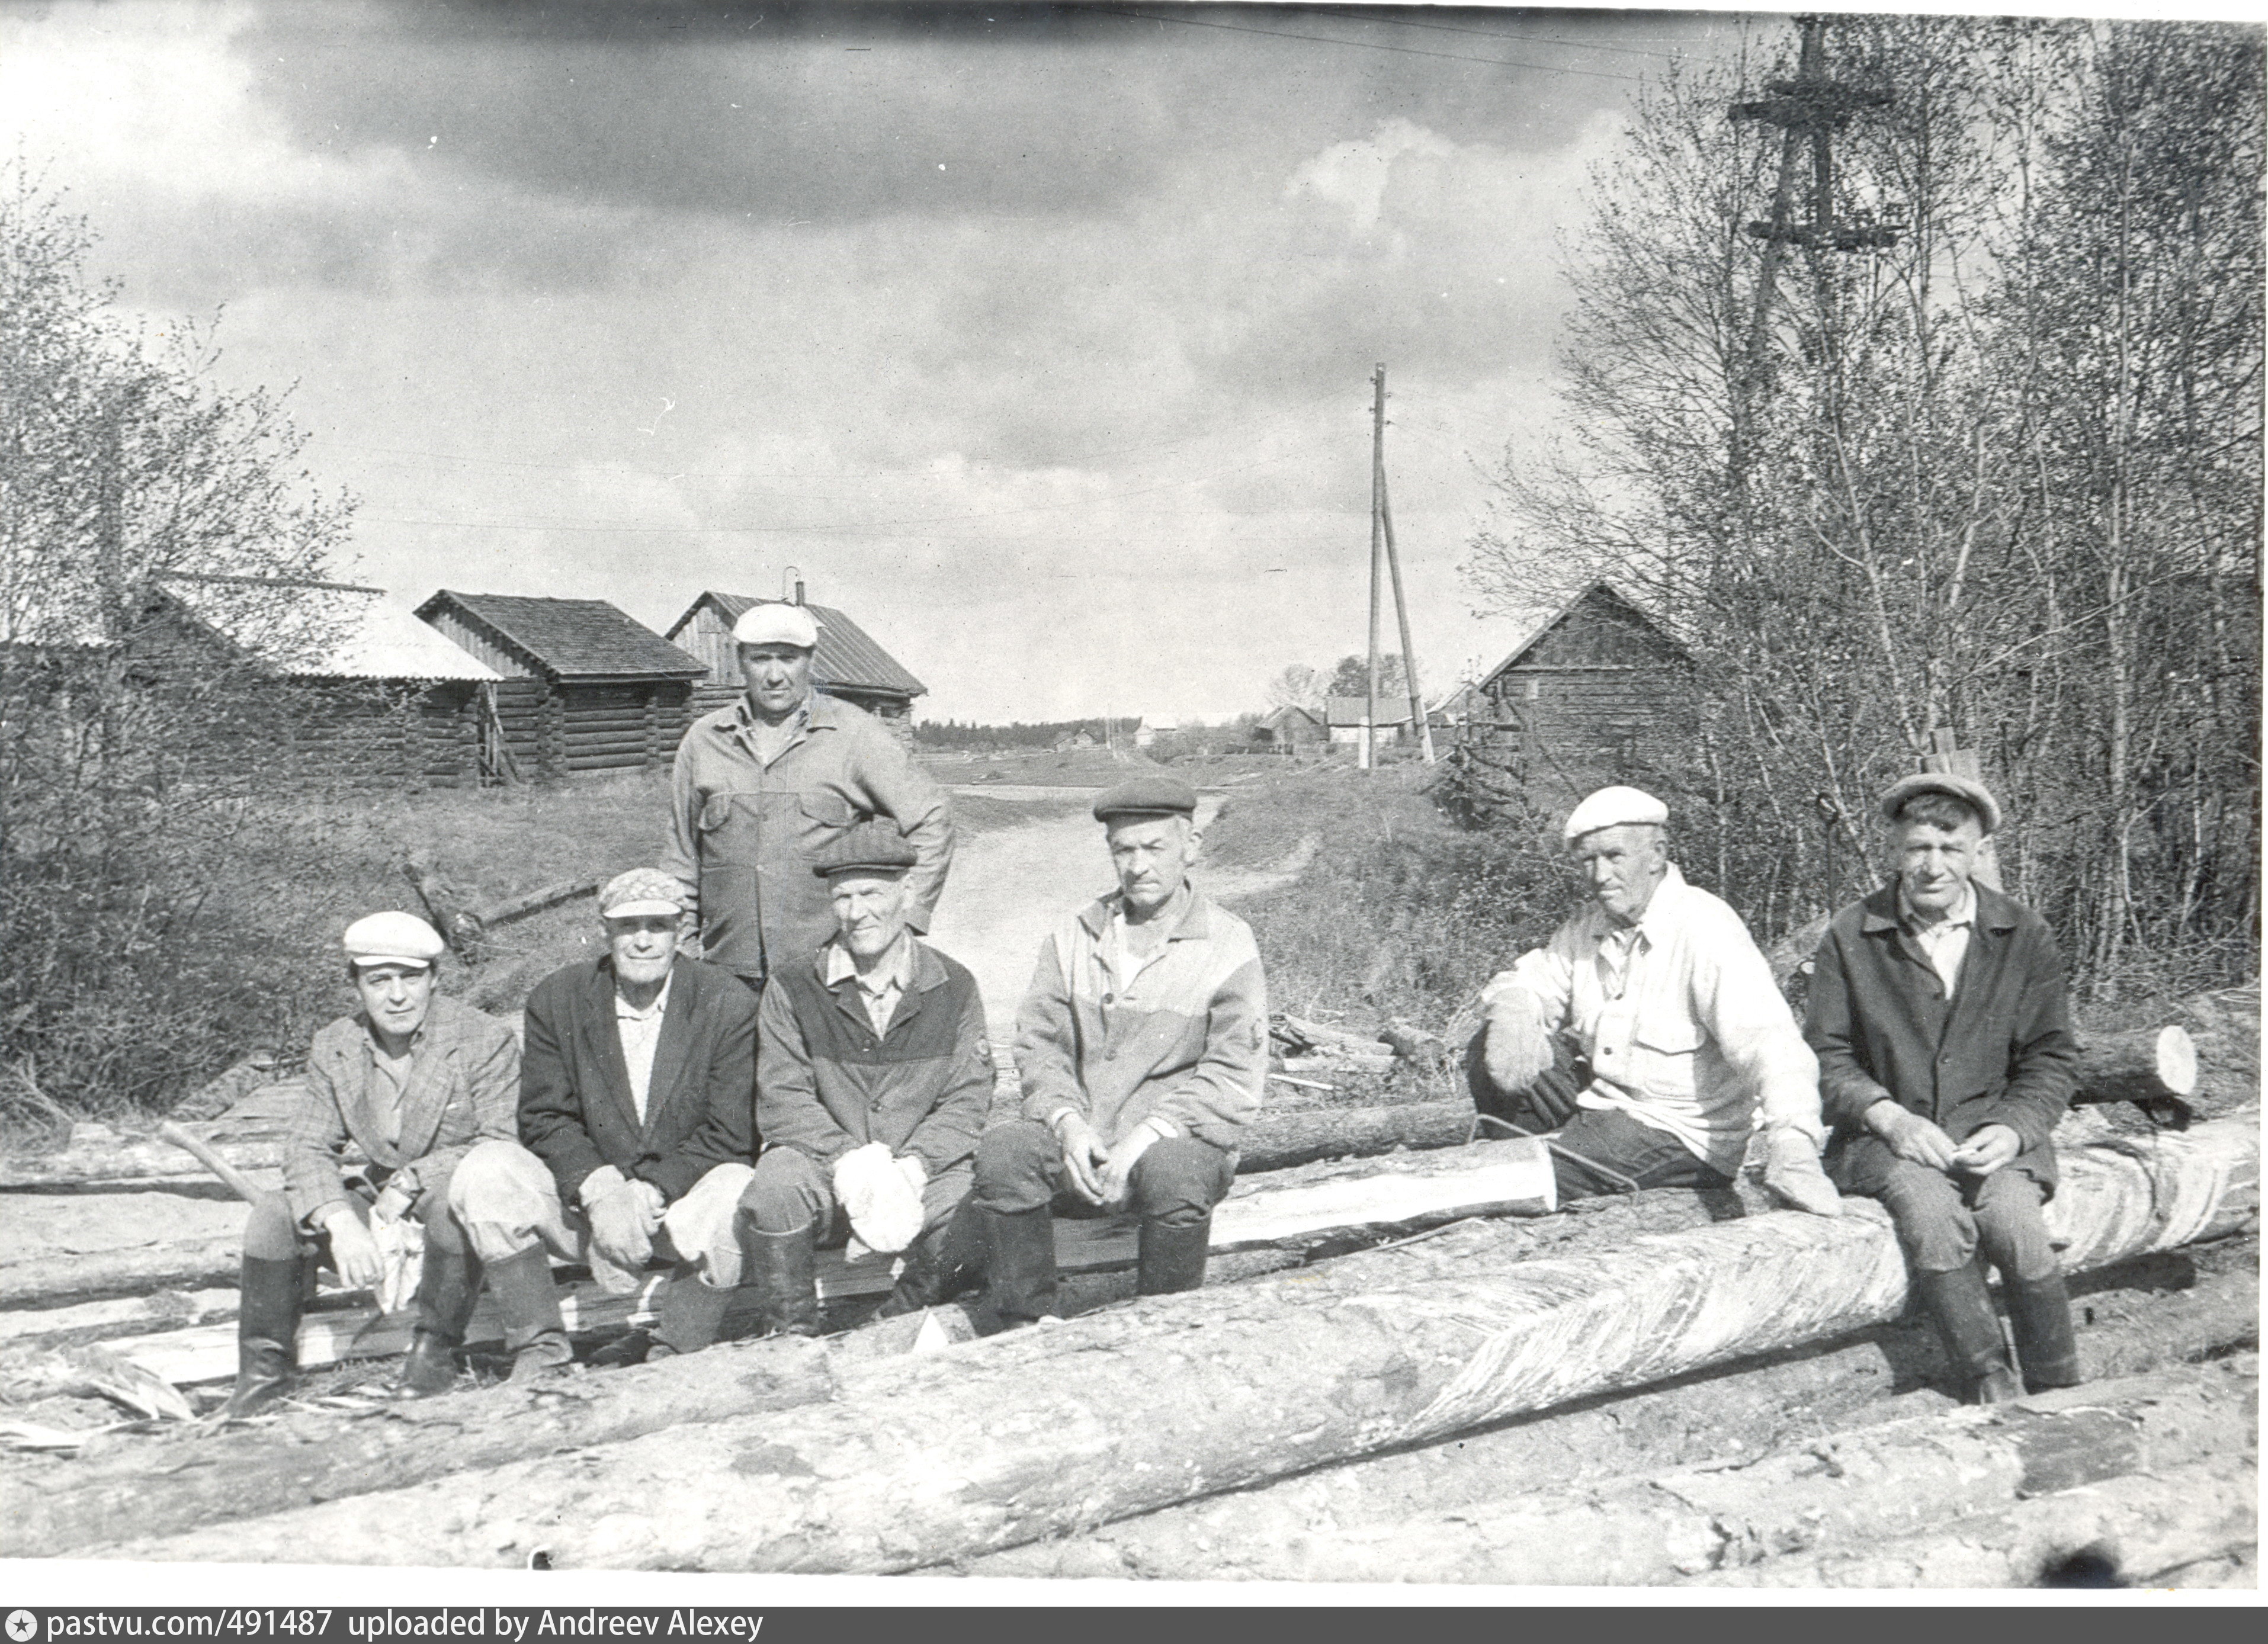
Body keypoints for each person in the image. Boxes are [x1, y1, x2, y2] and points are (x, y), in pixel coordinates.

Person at [1805, 773, 2084, 1404]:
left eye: (1950, 848)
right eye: (1917, 849)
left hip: (1994, 1132)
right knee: (1934, 1218)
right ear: (1895, 850)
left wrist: (2013, 1126)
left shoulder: (2023, 934)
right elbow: (1826, 1055)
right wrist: (1889, 1118)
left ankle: (2059, 1386)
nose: (1933, 866)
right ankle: (1989, 1382)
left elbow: (2051, 1057)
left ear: (1978, 850)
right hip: (1887, 1139)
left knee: (2015, 1223)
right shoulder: (1853, 936)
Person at [972, 776, 1269, 1327]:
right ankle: (1026, 1324)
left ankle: (1163, 1330)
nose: (1138, 866)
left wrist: (1146, 1135)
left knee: (1177, 1173)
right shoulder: (1074, 936)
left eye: (1154, 847)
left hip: (1167, 1153)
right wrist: (1068, 1125)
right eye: (1123, 850)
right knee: (1005, 1151)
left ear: (1192, 848)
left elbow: (1234, 1075)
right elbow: (1039, 1046)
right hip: (1081, 1155)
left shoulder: (1227, 943)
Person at [1474, 785, 1840, 1213]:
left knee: (1535, 1173)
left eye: (1614, 856)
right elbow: (1534, 977)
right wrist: (1516, 1005)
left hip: (1678, 1131)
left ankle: (1518, 1184)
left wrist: (1793, 1142)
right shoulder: (1589, 926)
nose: (1599, 875)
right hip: (1604, 1104)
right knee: (1487, 1046)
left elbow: (1771, 1046)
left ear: (1656, 854)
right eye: (1587, 861)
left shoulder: (1703, 928)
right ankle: (1521, 1170)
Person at [226, 911, 531, 1415]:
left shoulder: (482, 1038)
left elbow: (502, 1139)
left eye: (411, 978)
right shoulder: (336, 1044)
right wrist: (341, 1220)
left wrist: (414, 1179)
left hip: (451, 1195)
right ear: (357, 985)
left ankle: (434, 1354)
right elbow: (307, 1144)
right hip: (379, 1202)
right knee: (275, 1215)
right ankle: (265, 1373)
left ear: (434, 979)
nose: (397, 996)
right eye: (379, 980)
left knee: (451, 1210)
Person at [503, 869, 764, 1366]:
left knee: (735, 1185)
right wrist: (600, 1189)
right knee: (489, 1170)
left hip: (678, 1207)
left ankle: (674, 1348)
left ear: (681, 931)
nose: (643, 941)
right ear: (605, 931)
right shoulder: (559, 999)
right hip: (586, 1208)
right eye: (628, 927)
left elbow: (731, 1132)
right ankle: (542, 1354)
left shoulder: (726, 1002)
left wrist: (648, 1190)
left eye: (658, 926)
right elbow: (544, 1116)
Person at [739, 822, 993, 1333]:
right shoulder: (792, 986)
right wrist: (849, 1162)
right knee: (773, 1189)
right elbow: (783, 1098)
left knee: (977, 1208)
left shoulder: (953, 985)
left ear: (907, 892)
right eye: (843, 898)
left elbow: (967, 1100)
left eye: (871, 894)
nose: (857, 914)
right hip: (827, 1169)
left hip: (921, 1174)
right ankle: (792, 1335)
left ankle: (891, 1326)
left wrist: (915, 1166)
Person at [660, 599, 953, 993]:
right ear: (740, 661)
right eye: (761, 659)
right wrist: (681, 950)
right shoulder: (704, 741)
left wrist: (905, 916)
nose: (775, 675)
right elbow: (681, 855)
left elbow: (931, 818)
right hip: (724, 975)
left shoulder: (853, 734)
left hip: (829, 972)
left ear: (810, 660)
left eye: (788, 658)